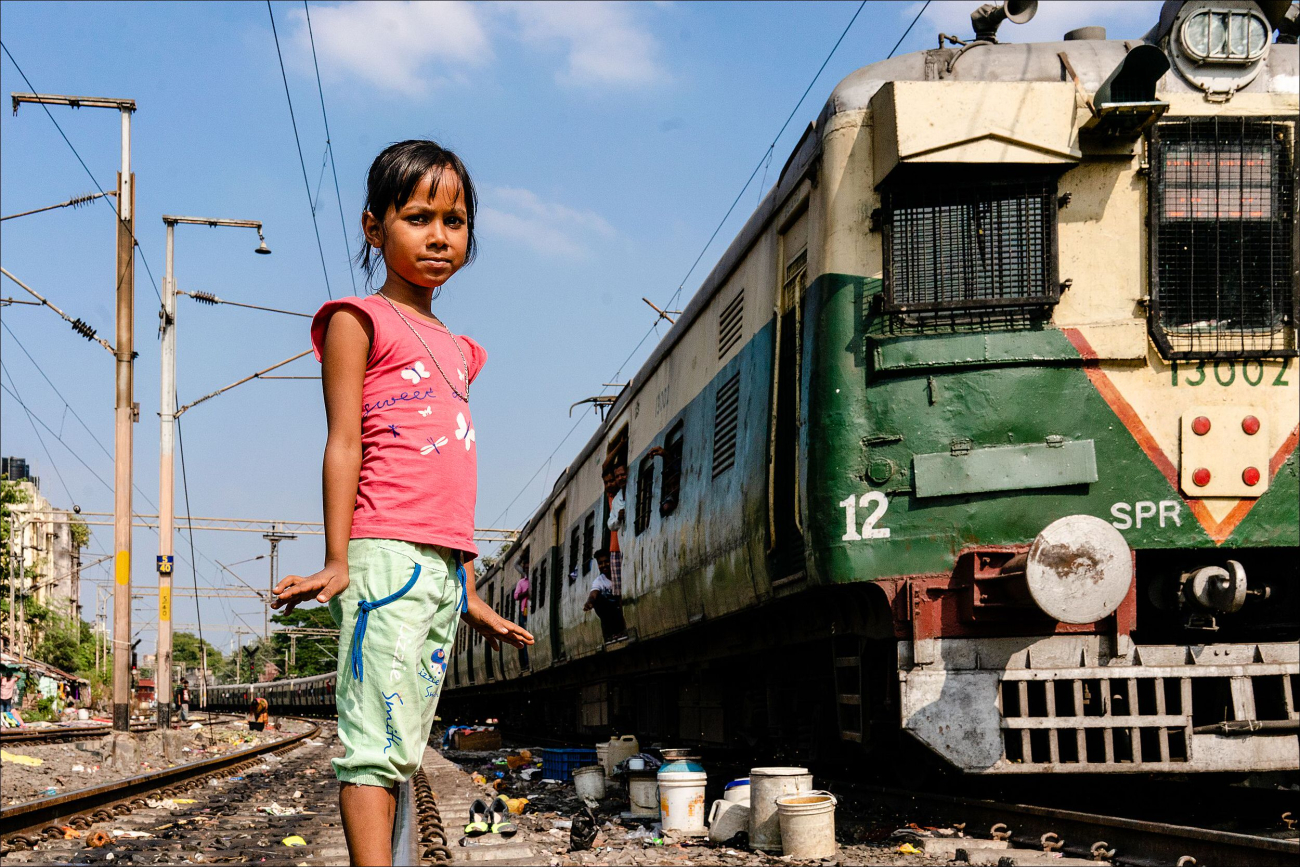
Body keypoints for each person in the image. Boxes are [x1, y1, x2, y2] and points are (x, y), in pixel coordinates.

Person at [270, 140, 533, 867]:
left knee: (403, 743)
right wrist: (336, 558)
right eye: (418, 218)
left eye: (455, 220)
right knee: (371, 746)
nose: (439, 236)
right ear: (373, 227)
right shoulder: (358, 320)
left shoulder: (461, 349)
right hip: (384, 556)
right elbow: (343, 442)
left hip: (440, 568)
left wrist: (467, 590)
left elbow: (451, 480)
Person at [583, 550, 626, 642]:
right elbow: (593, 594)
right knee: (598, 601)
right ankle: (611, 634)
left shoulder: (621, 573)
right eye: (600, 563)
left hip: (622, 609)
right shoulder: (599, 581)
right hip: (612, 613)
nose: (604, 565)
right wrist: (589, 602)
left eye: (606, 561)